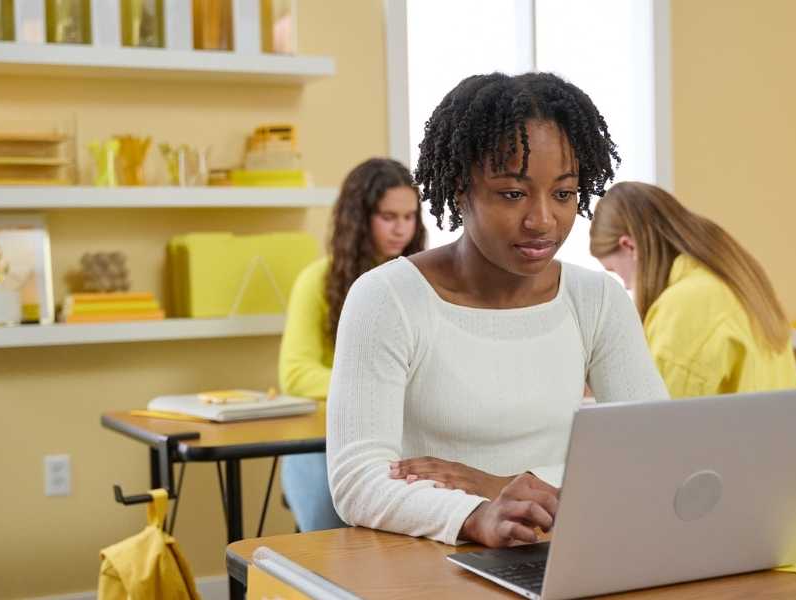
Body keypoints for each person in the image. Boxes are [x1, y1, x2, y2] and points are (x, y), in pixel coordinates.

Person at [326, 72, 669, 548]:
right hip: (425, 563)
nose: (543, 220)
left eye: (564, 194)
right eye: (513, 193)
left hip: (555, 552)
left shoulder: (597, 300)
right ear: (460, 188)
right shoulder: (386, 298)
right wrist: (475, 515)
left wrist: (494, 484)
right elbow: (357, 483)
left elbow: (657, 451)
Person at [278, 157, 426, 532]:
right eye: (388, 217)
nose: (401, 229)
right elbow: (295, 374)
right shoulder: (316, 281)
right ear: (359, 218)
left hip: (407, 431)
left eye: (409, 217)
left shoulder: (424, 281)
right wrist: (377, 389)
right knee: (328, 530)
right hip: (328, 436)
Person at [589, 181, 796, 398]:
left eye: (614, 270)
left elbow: (657, 418)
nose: (625, 285)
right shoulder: (738, 280)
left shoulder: (686, 305)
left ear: (629, 247)